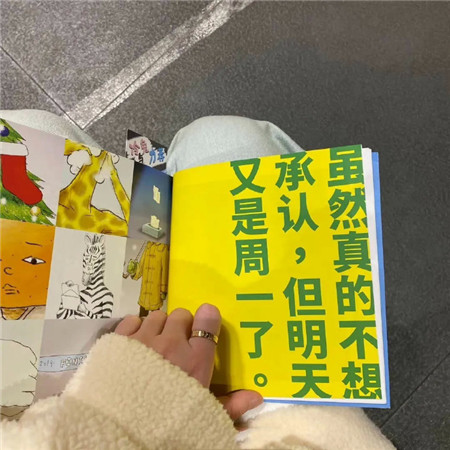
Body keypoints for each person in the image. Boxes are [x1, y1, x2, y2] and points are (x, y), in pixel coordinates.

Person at [0, 111, 395, 449]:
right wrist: (157, 417)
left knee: (31, 125)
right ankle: (160, 188)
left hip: (54, 410)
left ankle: (152, 188)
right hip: (276, 419)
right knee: (223, 137)